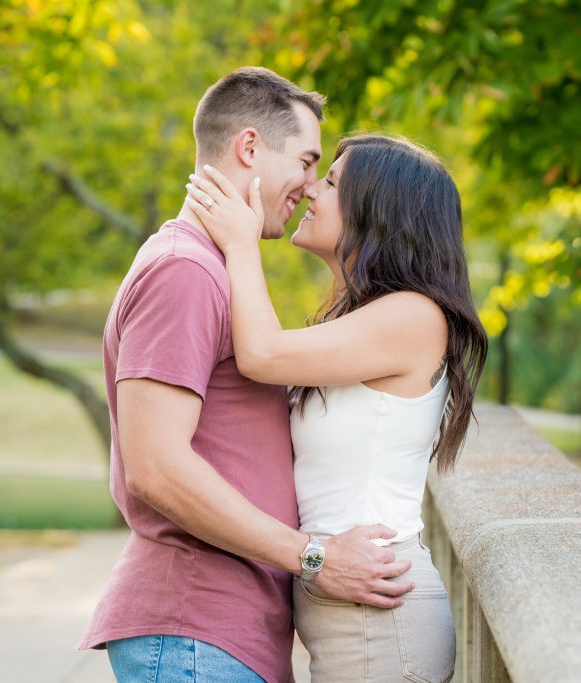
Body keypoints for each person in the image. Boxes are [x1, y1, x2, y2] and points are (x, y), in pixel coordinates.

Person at [79, 68, 417, 683]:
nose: (312, 187)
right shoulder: (184, 271)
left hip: (221, 638)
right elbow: (153, 467)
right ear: (250, 148)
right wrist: (315, 558)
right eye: (308, 161)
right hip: (192, 631)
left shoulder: (214, 270)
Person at [183, 133, 488, 682]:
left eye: (329, 182)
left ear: (377, 209)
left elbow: (261, 354)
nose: (307, 190)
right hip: (351, 613)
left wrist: (241, 244)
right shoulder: (358, 316)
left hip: (378, 618)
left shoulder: (413, 316)